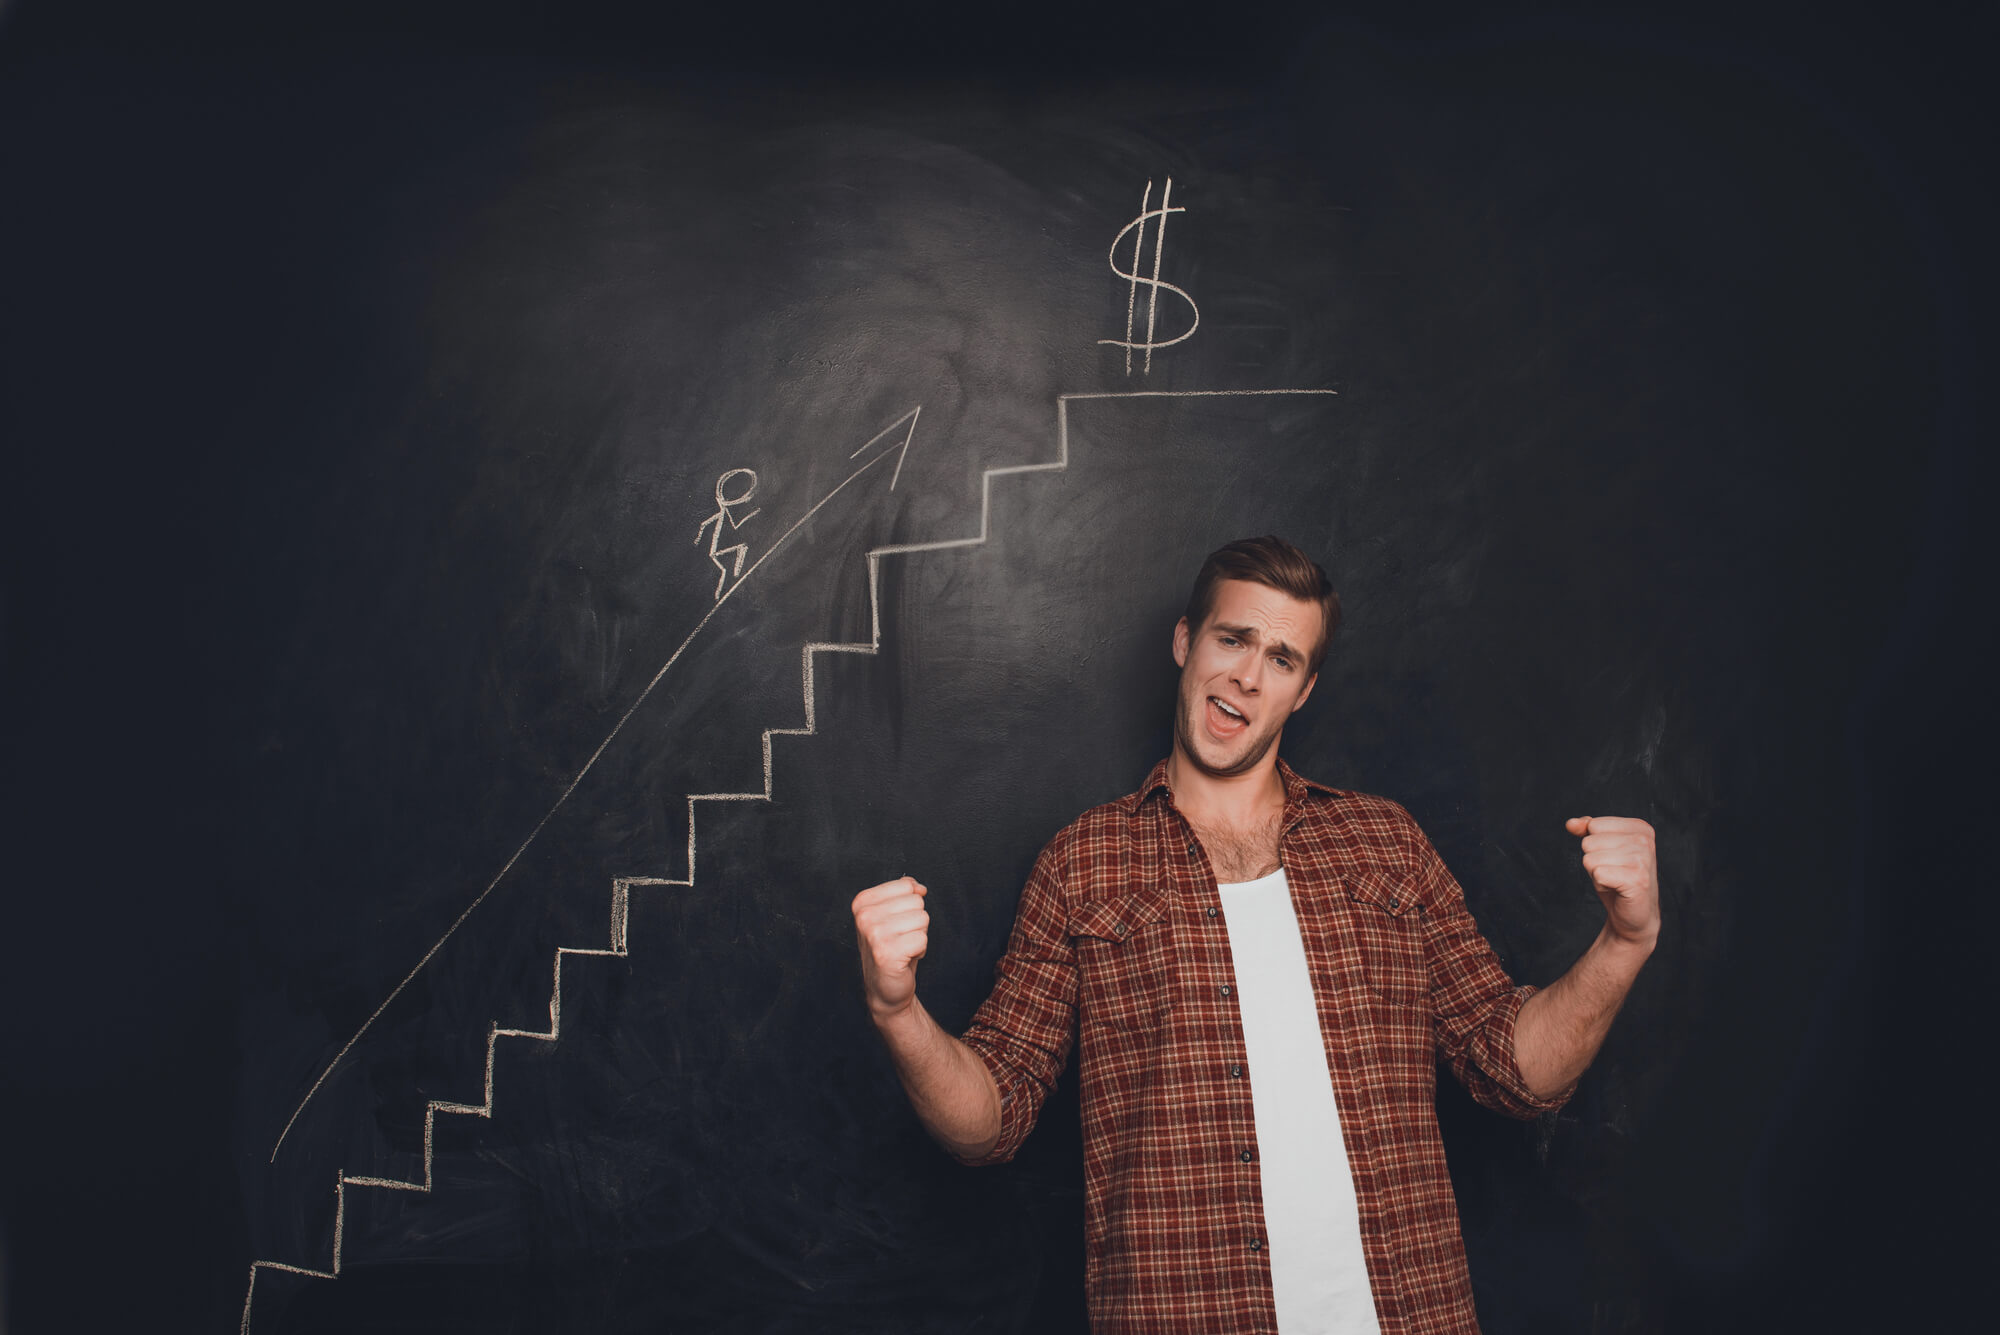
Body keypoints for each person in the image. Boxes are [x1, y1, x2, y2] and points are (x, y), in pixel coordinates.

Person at [850, 536, 1659, 1334]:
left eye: (1282, 658)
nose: (1247, 674)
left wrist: (1624, 940)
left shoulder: (1385, 842)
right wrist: (898, 1012)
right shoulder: (1084, 862)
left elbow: (1516, 1069)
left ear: (1303, 690)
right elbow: (993, 1116)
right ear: (1185, 640)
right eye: (1233, 638)